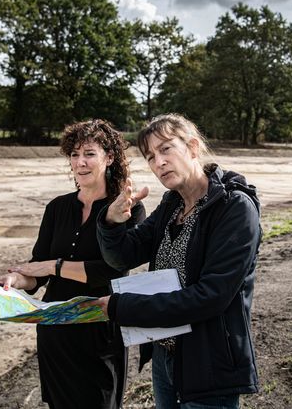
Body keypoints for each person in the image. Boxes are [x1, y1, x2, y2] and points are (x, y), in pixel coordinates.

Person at [95, 113, 261, 408]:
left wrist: (124, 307)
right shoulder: (172, 204)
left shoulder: (234, 208)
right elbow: (122, 254)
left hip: (210, 362)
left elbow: (211, 296)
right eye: (150, 156)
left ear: (193, 148)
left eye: (166, 149)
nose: (158, 162)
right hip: (166, 355)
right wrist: (111, 222)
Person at [0, 119, 146, 409]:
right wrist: (14, 280)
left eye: (89, 153)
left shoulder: (128, 207)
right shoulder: (56, 207)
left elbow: (111, 269)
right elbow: (35, 273)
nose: (80, 162)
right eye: (74, 154)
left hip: (99, 329)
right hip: (54, 330)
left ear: (109, 157)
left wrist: (52, 266)